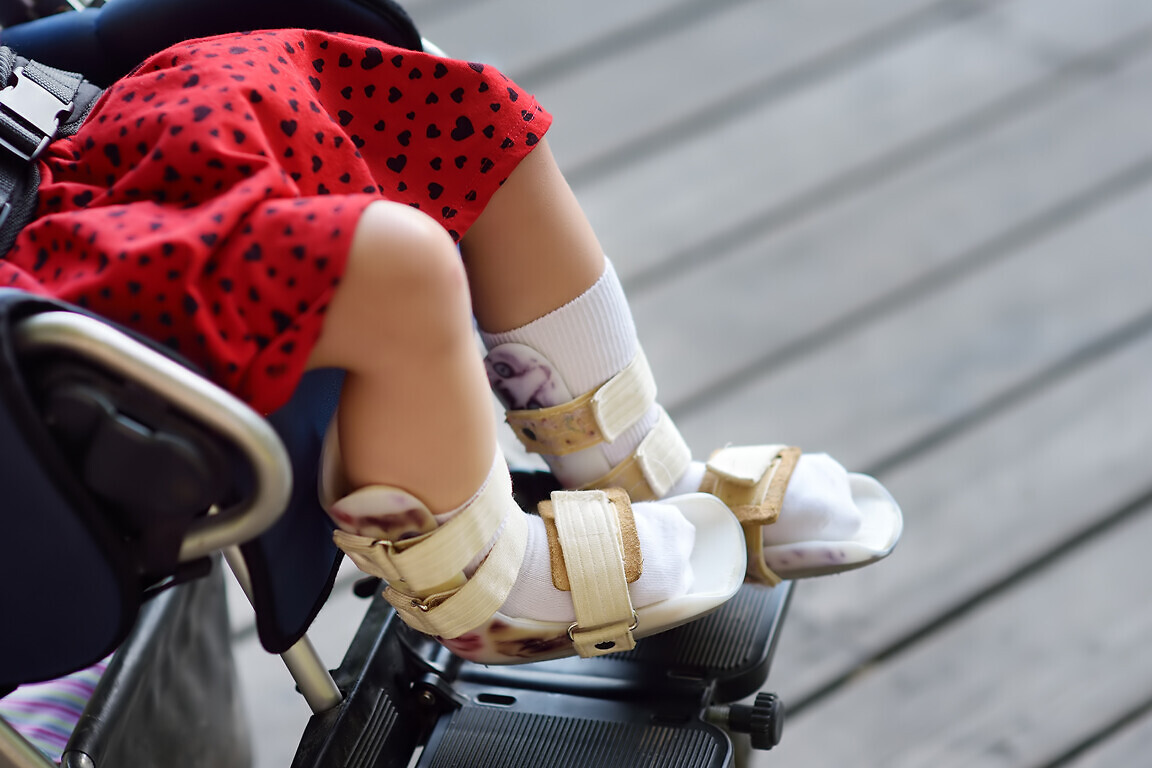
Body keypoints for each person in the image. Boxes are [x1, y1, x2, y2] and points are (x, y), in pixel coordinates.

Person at [0, 28, 902, 664]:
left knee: (432, 99)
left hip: (48, 137)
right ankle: (486, 588)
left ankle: (631, 466)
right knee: (392, 262)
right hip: (36, 289)